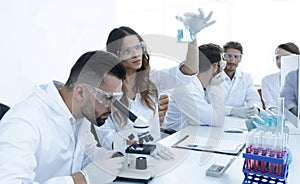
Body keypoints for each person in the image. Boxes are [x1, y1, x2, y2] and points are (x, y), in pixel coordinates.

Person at [0, 51, 128, 184]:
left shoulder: (78, 113)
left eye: (116, 99)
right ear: (80, 92)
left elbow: (86, 156)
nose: (112, 108)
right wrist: (81, 180)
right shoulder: (24, 123)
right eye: (107, 98)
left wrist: (126, 159)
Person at [96, 8, 215, 150]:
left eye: (138, 47)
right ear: (115, 56)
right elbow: (107, 138)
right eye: (127, 51)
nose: (136, 54)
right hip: (123, 159)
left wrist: (192, 36)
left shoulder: (151, 79)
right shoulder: (105, 90)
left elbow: (188, 72)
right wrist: (137, 147)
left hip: (156, 155)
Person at [164, 43, 225, 131]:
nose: (223, 69)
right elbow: (217, 120)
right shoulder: (187, 89)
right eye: (223, 64)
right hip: (176, 139)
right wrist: (216, 86)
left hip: (192, 134)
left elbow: (217, 112)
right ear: (215, 66)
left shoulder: (204, 86)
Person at [220, 41, 262, 118]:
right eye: (229, 56)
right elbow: (208, 105)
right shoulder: (213, 77)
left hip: (239, 121)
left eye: (236, 57)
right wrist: (232, 111)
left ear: (240, 59)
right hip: (216, 119)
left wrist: (254, 108)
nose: (232, 61)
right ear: (223, 57)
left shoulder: (246, 78)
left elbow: (254, 99)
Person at [262, 42, 300, 110]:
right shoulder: (267, 80)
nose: (280, 61)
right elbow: (270, 105)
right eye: (277, 58)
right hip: (279, 118)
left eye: (285, 57)